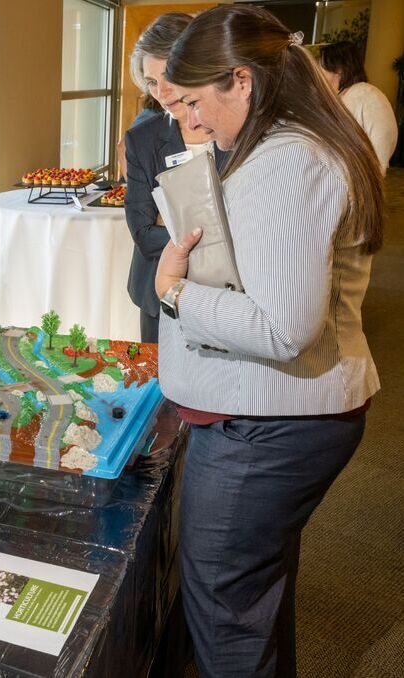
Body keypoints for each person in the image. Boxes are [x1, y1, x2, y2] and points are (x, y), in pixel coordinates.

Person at [156, 6, 383, 675]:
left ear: (242, 82)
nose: (192, 120)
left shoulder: (289, 160)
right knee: (253, 603)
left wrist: (176, 291)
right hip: (268, 418)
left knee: (227, 620)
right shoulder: (286, 144)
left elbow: (284, 328)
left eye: (196, 102)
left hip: (268, 428)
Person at [123, 13, 227, 343]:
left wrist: (172, 221)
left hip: (231, 296)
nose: (162, 92)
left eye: (168, 74)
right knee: (161, 389)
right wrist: (219, 229)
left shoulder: (235, 130)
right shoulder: (143, 139)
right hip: (160, 295)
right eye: (152, 82)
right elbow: (142, 231)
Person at [319, 40, 398, 175]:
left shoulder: (366, 95)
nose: (318, 73)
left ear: (339, 69)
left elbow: (382, 143)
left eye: (321, 67)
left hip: (358, 179)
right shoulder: (342, 96)